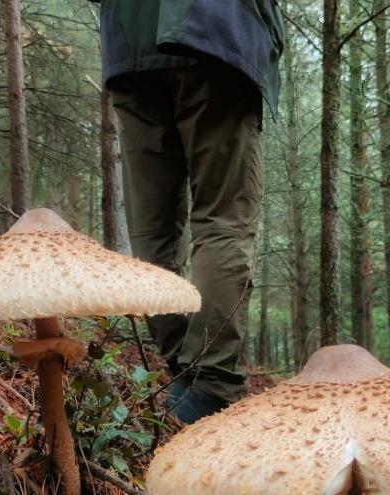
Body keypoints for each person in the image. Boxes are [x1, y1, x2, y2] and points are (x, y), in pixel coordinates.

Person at [94, 0, 285, 423]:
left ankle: (183, 376)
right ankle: (210, 387)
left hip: (130, 41)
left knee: (151, 231)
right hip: (220, 31)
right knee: (223, 222)